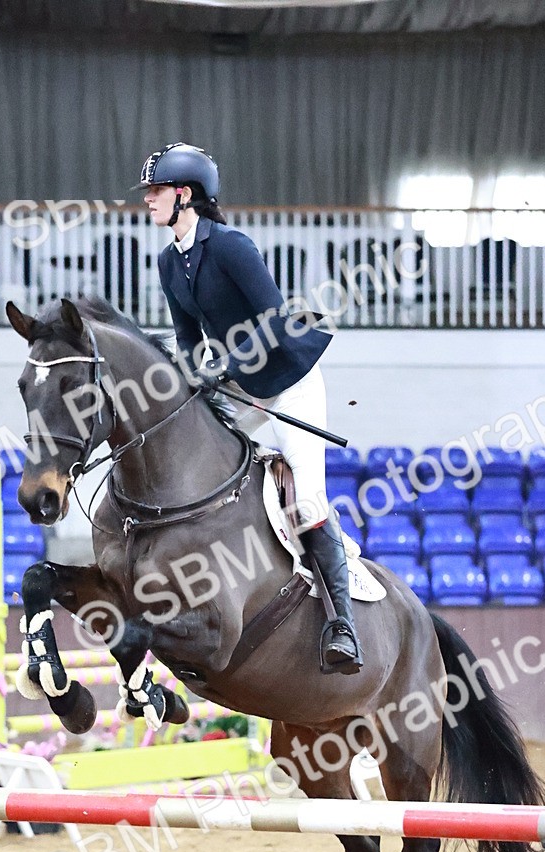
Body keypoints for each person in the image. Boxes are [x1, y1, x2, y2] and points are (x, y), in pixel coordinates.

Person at [133, 142, 362, 676]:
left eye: (155, 190)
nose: (148, 200)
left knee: (305, 500)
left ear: (183, 195)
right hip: (240, 392)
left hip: (289, 384)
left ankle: (342, 624)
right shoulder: (171, 260)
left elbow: (278, 320)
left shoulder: (232, 247)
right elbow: (189, 338)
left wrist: (225, 365)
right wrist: (192, 378)